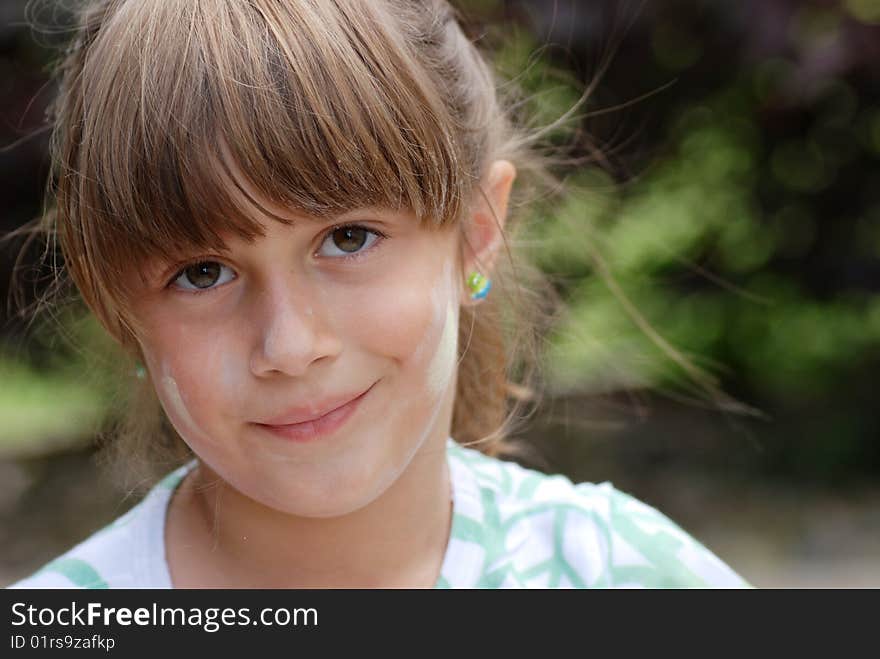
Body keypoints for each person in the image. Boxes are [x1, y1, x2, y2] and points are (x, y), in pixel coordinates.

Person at [8, 0, 748, 588]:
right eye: (203, 272)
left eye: (349, 238)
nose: (291, 347)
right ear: (119, 311)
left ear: (477, 231)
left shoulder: (622, 577)